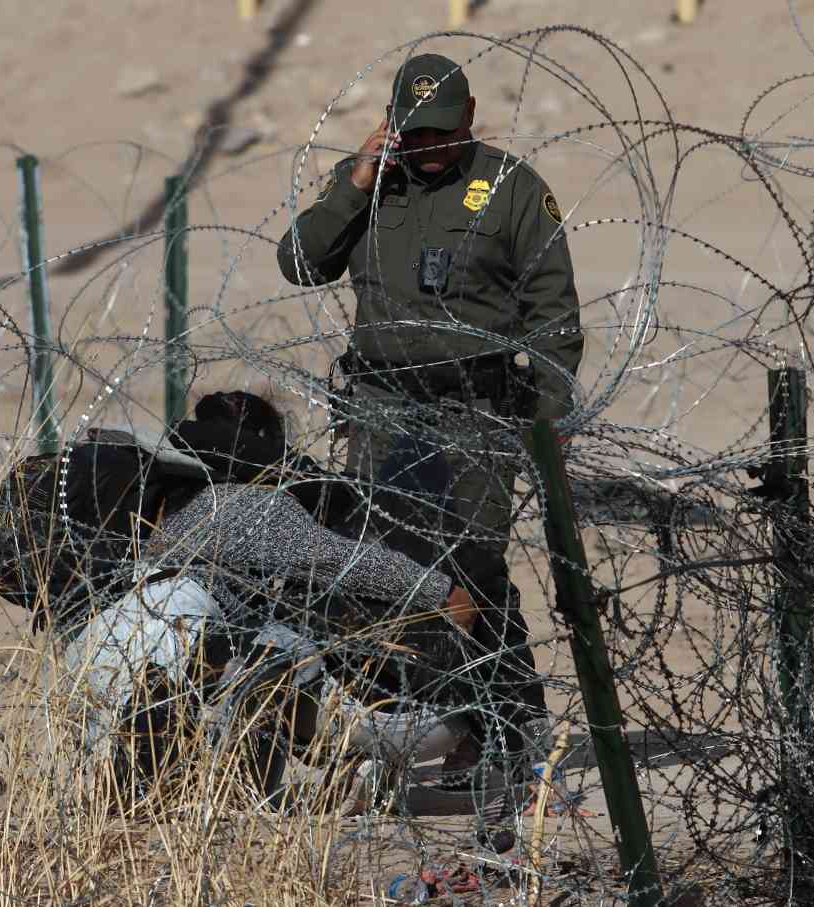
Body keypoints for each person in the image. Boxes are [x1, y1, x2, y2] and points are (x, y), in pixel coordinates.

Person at [275, 52, 584, 834]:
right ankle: (424, 721)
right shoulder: (371, 179)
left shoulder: (510, 187)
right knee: (389, 572)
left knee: (472, 569)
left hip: (472, 408)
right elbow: (300, 263)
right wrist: (357, 181)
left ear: (471, 117)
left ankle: (504, 725)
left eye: (444, 134)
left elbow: (555, 315)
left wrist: (542, 424)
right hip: (381, 407)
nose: (431, 148)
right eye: (416, 135)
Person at [59, 391, 480, 808]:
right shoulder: (249, 503)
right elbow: (338, 560)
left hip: (103, 657)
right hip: (165, 651)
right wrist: (439, 592)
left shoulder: (168, 507)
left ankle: (164, 776)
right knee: (285, 647)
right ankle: (250, 783)